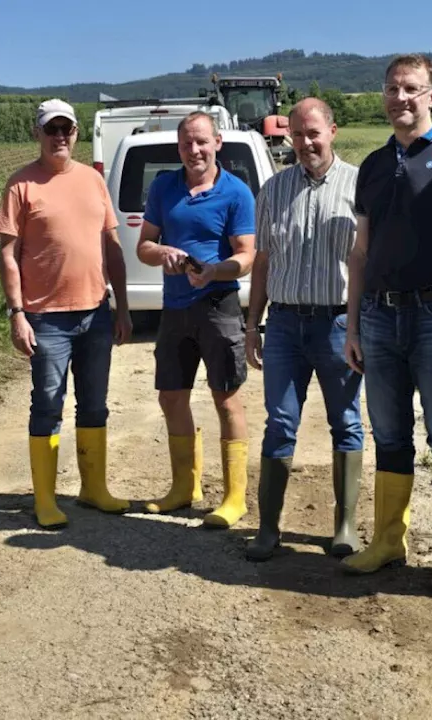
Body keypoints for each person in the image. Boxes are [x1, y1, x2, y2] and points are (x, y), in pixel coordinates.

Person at [341, 54, 432, 592]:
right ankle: (388, 541)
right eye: (391, 89)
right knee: (388, 432)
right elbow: (359, 254)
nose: (399, 98)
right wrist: (354, 326)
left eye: (411, 88)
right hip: (379, 317)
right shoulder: (374, 166)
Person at [0, 99, 134, 529]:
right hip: (46, 318)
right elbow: (7, 254)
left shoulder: (93, 181)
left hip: (95, 314)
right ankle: (46, 499)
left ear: (76, 133)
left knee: (94, 405)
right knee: (47, 405)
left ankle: (93, 489)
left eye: (67, 129)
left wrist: (123, 307)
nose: (60, 137)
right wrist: (17, 313)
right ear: (37, 133)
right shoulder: (21, 186)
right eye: (51, 129)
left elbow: (112, 246)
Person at [242, 98, 364, 561]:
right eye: (297, 135)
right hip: (286, 325)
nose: (307, 142)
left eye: (314, 133)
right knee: (279, 423)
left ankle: (346, 527)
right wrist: (253, 325)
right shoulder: (272, 190)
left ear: (332, 130)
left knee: (346, 422)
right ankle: (268, 530)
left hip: (338, 323)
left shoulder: (359, 186)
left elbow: (366, 261)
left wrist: (358, 326)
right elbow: (264, 261)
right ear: (287, 137)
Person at [136, 112, 257, 528]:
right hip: (175, 308)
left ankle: (235, 498)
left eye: (202, 142)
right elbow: (144, 246)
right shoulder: (164, 187)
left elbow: (246, 256)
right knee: (171, 396)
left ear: (217, 143)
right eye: (187, 143)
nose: (194, 150)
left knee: (226, 397)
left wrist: (214, 270)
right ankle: (184, 489)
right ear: (179, 147)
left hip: (218, 304)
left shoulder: (236, 192)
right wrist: (163, 253)